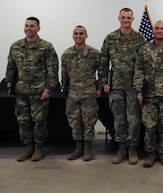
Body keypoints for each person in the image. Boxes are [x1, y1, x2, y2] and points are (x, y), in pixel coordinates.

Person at [6, 17, 59, 162]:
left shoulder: (46, 47)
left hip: (39, 92)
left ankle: (38, 148)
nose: (28, 28)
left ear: (38, 28)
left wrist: (48, 89)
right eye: (26, 25)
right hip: (21, 91)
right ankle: (28, 147)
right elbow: (11, 68)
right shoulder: (16, 46)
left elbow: (52, 70)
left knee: (39, 121)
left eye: (32, 26)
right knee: (23, 121)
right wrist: (10, 85)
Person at [100, 7, 147, 165]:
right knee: (119, 119)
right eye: (123, 17)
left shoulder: (140, 39)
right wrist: (104, 82)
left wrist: (141, 87)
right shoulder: (110, 38)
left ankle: (132, 148)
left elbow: (143, 64)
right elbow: (104, 62)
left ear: (132, 20)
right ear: (118, 18)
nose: (126, 20)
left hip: (134, 86)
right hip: (117, 86)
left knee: (134, 119)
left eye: (128, 18)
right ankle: (121, 148)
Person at [134, 20, 163, 168]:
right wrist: (139, 92)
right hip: (149, 95)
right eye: (157, 28)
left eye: (162, 29)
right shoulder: (144, 50)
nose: (159, 31)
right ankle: (151, 153)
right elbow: (139, 71)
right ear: (153, 31)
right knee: (150, 126)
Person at [61, 25, 101, 161]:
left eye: (81, 33)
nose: (78, 36)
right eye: (76, 33)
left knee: (89, 120)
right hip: (72, 93)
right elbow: (64, 74)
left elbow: (101, 72)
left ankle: (88, 148)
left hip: (88, 93)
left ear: (86, 36)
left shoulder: (93, 53)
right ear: (73, 36)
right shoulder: (66, 54)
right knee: (74, 121)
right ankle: (78, 148)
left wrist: (99, 88)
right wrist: (64, 89)